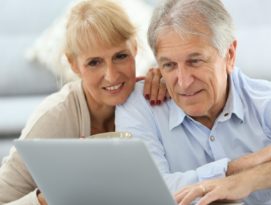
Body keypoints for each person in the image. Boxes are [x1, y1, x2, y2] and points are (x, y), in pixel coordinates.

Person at [115, 0, 271, 204]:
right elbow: (147, 192)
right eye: (169, 65)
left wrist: (246, 181)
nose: (183, 82)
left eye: (195, 61)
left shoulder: (270, 101)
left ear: (229, 55)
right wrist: (243, 164)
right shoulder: (141, 105)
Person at [0, 0, 167, 204]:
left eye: (120, 56)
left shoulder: (152, 97)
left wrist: (172, 79)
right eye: (94, 62)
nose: (111, 75)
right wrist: (45, 199)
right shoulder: (54, 117)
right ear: (74, 65)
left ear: (134, 49)